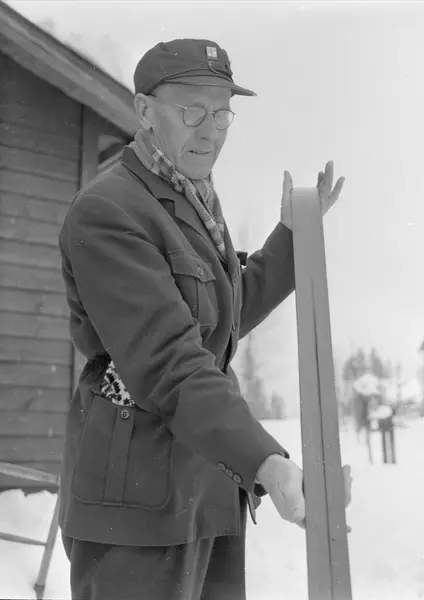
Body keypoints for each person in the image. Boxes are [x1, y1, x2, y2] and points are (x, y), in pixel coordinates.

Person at [57, 38, 350, 600]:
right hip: (138, 505)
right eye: (193, 110)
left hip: (206, 488)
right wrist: (264, 461)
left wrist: (291, 240)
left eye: (222, 113)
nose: (211, 130)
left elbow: (219, 320)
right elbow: (169, 359)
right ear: (145, 110)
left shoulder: (190, 201)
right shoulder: (109, 210)